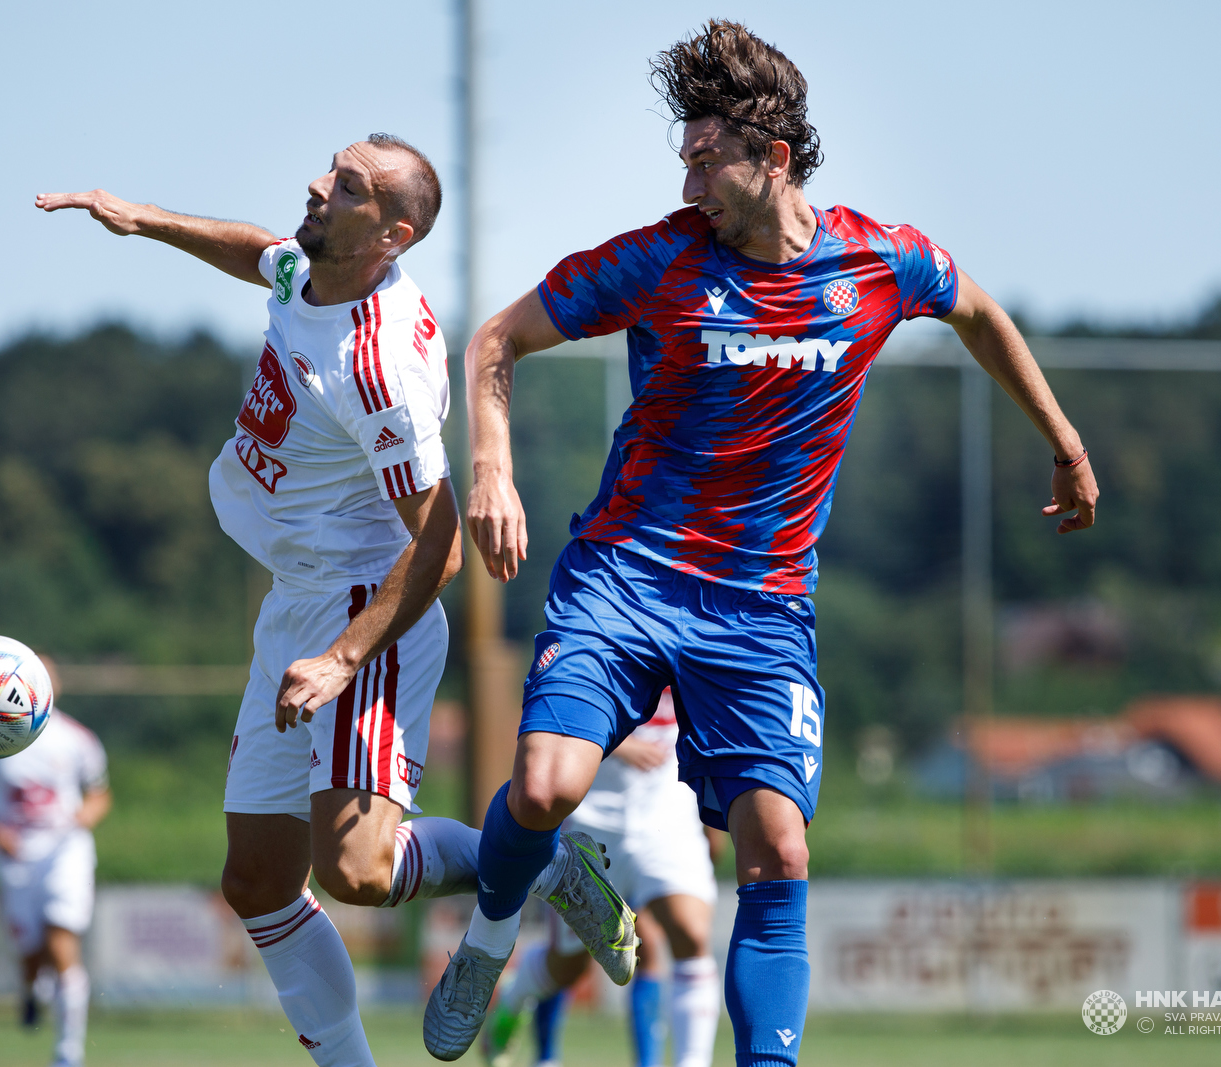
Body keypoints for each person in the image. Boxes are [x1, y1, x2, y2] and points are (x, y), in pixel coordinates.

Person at [431, 20, 1100, 1067]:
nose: (688, 174)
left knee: (779, 848)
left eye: (706, 155)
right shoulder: (657, 260)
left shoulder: (880, 260)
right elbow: (495, 339)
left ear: (772, 158)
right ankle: (488, 930)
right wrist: (490, 467)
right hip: (626, 575)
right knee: (546, 789)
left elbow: (976, 312)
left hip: (761, 604)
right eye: (683, 153)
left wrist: (1060, 438)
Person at [37, 135, 629, 1067]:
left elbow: (437, 547)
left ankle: (540, 856)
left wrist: (342, 655)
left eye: (346, 186)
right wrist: (140, 217)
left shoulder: (377, 364)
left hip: (364, 614)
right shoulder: (314, 277)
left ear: (388, 235)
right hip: (298, 600)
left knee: (353, 870)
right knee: (259, 880)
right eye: (331, 169)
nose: (319, 184)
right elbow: (259, 253)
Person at [483, 688, 722, 1067]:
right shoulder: (598, 631)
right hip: (595, 814)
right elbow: (547, 713)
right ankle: (514, 1001)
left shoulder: (699, 633)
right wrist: (619, 743)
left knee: (684, 937)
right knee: (568, 963)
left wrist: (715, 821)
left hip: (666, 813)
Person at [0, 658, 111, 1067]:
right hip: (16, 856)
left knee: (62, 943)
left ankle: (68, 1052)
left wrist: (83, 818)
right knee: (31, 953)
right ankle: (31, 991)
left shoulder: (76, 738)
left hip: (65, 851)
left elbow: (99, 793)